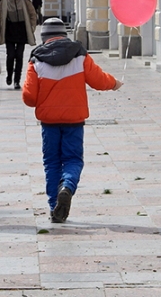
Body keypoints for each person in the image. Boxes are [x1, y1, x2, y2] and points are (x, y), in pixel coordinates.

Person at [22, 18, 123, 223]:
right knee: (73, 159)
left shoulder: (36, 60)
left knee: (51, 162)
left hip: (49, 122)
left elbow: (29, 98)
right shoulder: (79, 55)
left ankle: (53, 207)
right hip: (74, 120)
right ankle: (67, 186)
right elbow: (98, 80)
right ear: (64, 34)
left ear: (44, 38)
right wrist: (114, 83)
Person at [0, 0, 37, 88]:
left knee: (19, 56)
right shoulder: (3, 0)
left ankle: (17, 80)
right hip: (9, 30)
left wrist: (31, 28)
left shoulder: (26, 0)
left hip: (22, 30)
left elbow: (33, 15)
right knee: (11, 55)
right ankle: (9, 75)